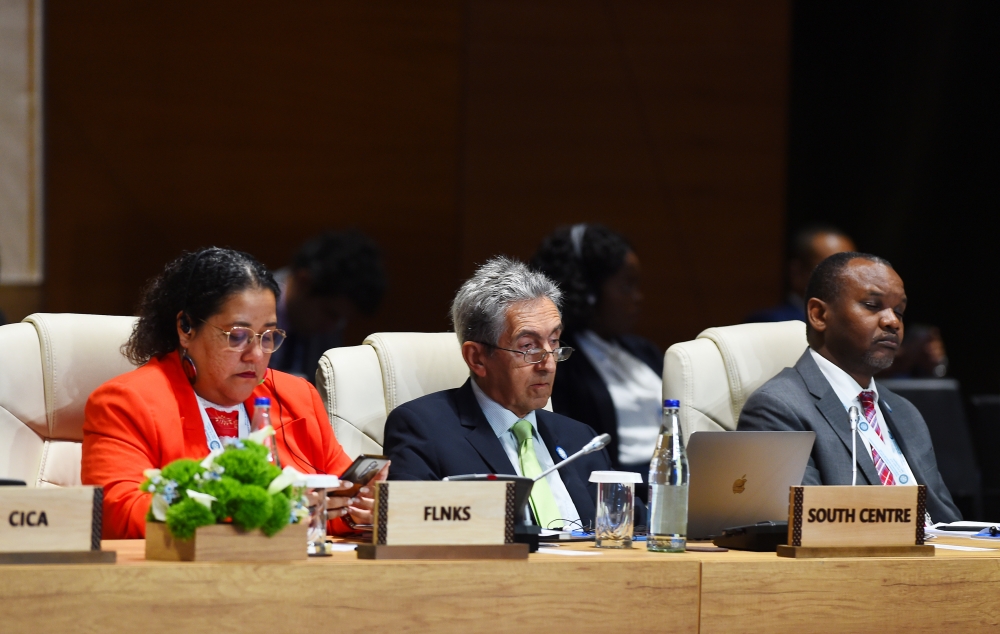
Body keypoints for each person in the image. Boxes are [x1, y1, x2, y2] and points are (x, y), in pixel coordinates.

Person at [82, 247, 387, 539]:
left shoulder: (297, 396)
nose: (255, 354)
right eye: (238, 336)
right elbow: (119, 514)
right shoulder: (124, 402)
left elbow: (333, 499)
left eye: (268, 336)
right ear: (186, 328)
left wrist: (356, 509)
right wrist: (266, 509)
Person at [382, 256, 642, 530]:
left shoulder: (582, 440)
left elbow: (627, 527)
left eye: (554, 342)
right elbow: (410, 528)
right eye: (528, 346)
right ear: (477, 358)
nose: (549, 364)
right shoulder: (423, 430)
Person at [737, 252, 961, 523]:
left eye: (899, 311)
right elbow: (805, 528)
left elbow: (948, 521)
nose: (892, 321)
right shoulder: (778, 408)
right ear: (819, 315)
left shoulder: (905, 412)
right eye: (872, 305)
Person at [530, 224, 662, 475]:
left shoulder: (645, 351)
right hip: (619, 484)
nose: (638, 297)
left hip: (672, 475)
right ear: (589, 291)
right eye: (627, 286)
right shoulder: (560, 362)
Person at [269, 231, 387, 382]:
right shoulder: (248, 304)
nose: (333, 326)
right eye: (331, 314)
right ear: (304, 282)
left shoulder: (329, 330)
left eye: (342, 319)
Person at [746, 225, 856, 323]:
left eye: (851, 267)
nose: (846, 276)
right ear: (797, 272)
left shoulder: (857, 322)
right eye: (834, 268)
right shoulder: (771, 322)